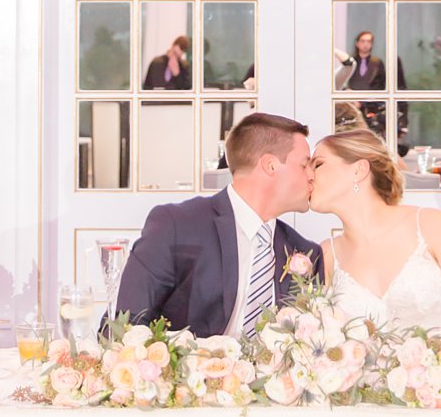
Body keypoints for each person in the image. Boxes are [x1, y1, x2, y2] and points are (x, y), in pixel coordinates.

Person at [116, 113, 324, 336]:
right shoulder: (177, 226)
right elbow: (124, 328)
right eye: (304, 165)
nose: (312, 176)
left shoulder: (305, 253)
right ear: (270, 165)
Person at [309, 124, 441, 340]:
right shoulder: (326, 255)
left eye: (318, 164)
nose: (308, 175)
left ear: (358, 170)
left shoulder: (430, 226)